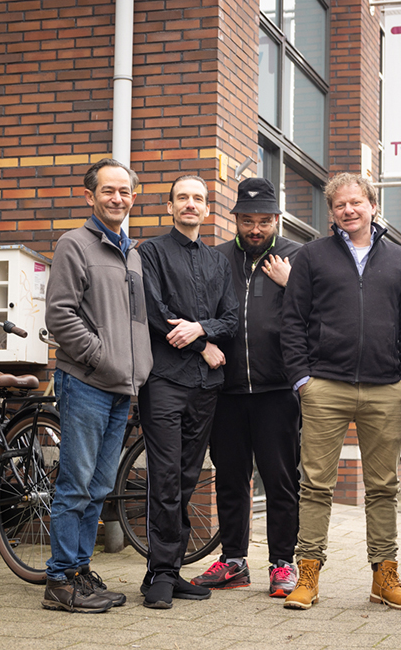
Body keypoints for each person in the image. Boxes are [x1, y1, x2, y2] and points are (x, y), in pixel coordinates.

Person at [280, 172, 401, 611]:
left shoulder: (399, 260)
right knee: (315, 485)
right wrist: (303, 380)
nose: (349, 210)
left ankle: (385, 575)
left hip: (385, 390)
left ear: (372, 205)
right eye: (340, 205)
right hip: (326, 385)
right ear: (332, 212)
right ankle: (308, 575)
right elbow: (293, 321)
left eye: (356, 202)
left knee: (383, 487)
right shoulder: (311, 256)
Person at [43, 158, 152, 613]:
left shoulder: (132, 252)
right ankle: (59, 580)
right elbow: (60, 314)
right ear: (90, 196)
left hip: (120, 389)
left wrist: (136, 368)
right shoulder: (75, 244)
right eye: (109, 190)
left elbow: (135, 321)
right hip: (86, 381)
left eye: (124, 191)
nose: (118, 198)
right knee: (75, 483)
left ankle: (80, 571)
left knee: (100, 486)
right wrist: (100, 356)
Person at [192, 177, 303, 596]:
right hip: (228, 389)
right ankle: (234, 560)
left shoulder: (297, 257)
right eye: (247, 221)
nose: (255, 229)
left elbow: (323, 313)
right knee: (230, 478)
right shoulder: (217, 258)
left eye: (263, 221)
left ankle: (282, 563)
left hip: (278, 390)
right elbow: (198, 312)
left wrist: (293, 284)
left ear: (277, 219)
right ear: (235, 219)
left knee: (280, 480)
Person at [137, 175, 239, 609]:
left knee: (185, 478)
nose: (191, 205)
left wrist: (202, 328)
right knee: (163, 477)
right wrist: (201, 343)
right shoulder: (151, 253)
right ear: (170, 206)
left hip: (205, 387)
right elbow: (155, 312)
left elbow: (232, 318)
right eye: (183, 198)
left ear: (207, 209)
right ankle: (158, 575)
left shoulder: (219, 262)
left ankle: (172, 570)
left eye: (198, 199)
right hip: (164, 381)